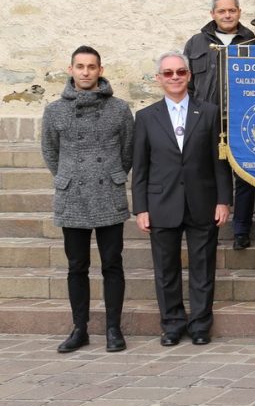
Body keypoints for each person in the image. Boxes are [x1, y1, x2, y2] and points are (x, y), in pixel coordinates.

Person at [132, 51, 232, 346]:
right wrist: (141, 208)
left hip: (202, 201)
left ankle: (201, 324)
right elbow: (141, 167)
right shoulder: (146, 117)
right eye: (168, 73)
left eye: (179, 72)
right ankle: (172, 324)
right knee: (166, 270)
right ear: (158, 79)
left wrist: (223, 200)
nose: (174, 77)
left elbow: (220, 160)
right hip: (162, 203)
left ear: (189, 76)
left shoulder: (210, 112)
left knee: (203, 267)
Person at [41, 46, 134, 353]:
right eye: (79, 66)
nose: (85, 72)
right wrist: (66, 176)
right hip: (73, 197)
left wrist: (111, 173)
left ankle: (113, 329)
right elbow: (51, 151)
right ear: (71, 70)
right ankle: (79, 328)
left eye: (91, 67)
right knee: (76, 266)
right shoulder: (54, 111)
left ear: (100, 70)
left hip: (108, 191)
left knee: (112, 264)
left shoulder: (120, 109)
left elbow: (128, 152)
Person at [182, 0, 255, 250]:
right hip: (206, 120)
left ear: (239, 12)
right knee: (208, 174)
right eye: (221, 11)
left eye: (232, 10)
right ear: (212, 14)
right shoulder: (195, 43)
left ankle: (241, 230)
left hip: (243, 120)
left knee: (245, 176)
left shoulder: (254, 42)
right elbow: (188, 84)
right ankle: (206, 223)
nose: (227, 15)